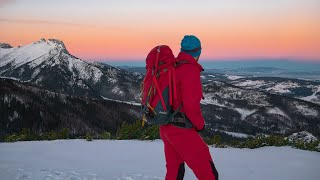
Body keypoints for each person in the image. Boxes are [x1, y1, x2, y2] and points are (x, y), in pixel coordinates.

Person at [159, 35, 219, 180]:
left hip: (166, 127)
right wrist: (200, 125)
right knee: (209, 174)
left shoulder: (173, 65)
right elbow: (191, 105)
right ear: (198, 52)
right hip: (182, 129)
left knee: (175, 173)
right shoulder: (190, 70)